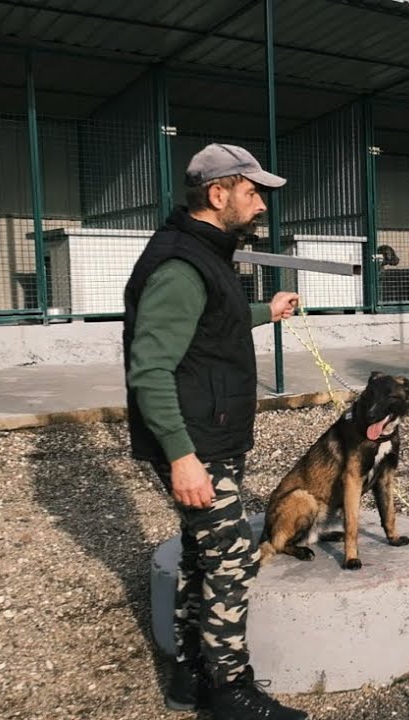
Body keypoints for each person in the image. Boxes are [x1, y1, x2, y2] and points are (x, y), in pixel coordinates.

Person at [123, 143, 307, 720]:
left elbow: (210, 318)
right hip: (195, 442)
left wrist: (265, 312)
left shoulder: (206, 252)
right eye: (252, 194)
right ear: (218, 193)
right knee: (230, 555)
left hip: (213, 431)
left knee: (203, 554)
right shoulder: (180, 265)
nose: (261, 207)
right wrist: (181, 457)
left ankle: (188, 677)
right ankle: (231, 691)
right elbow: (150, 370)